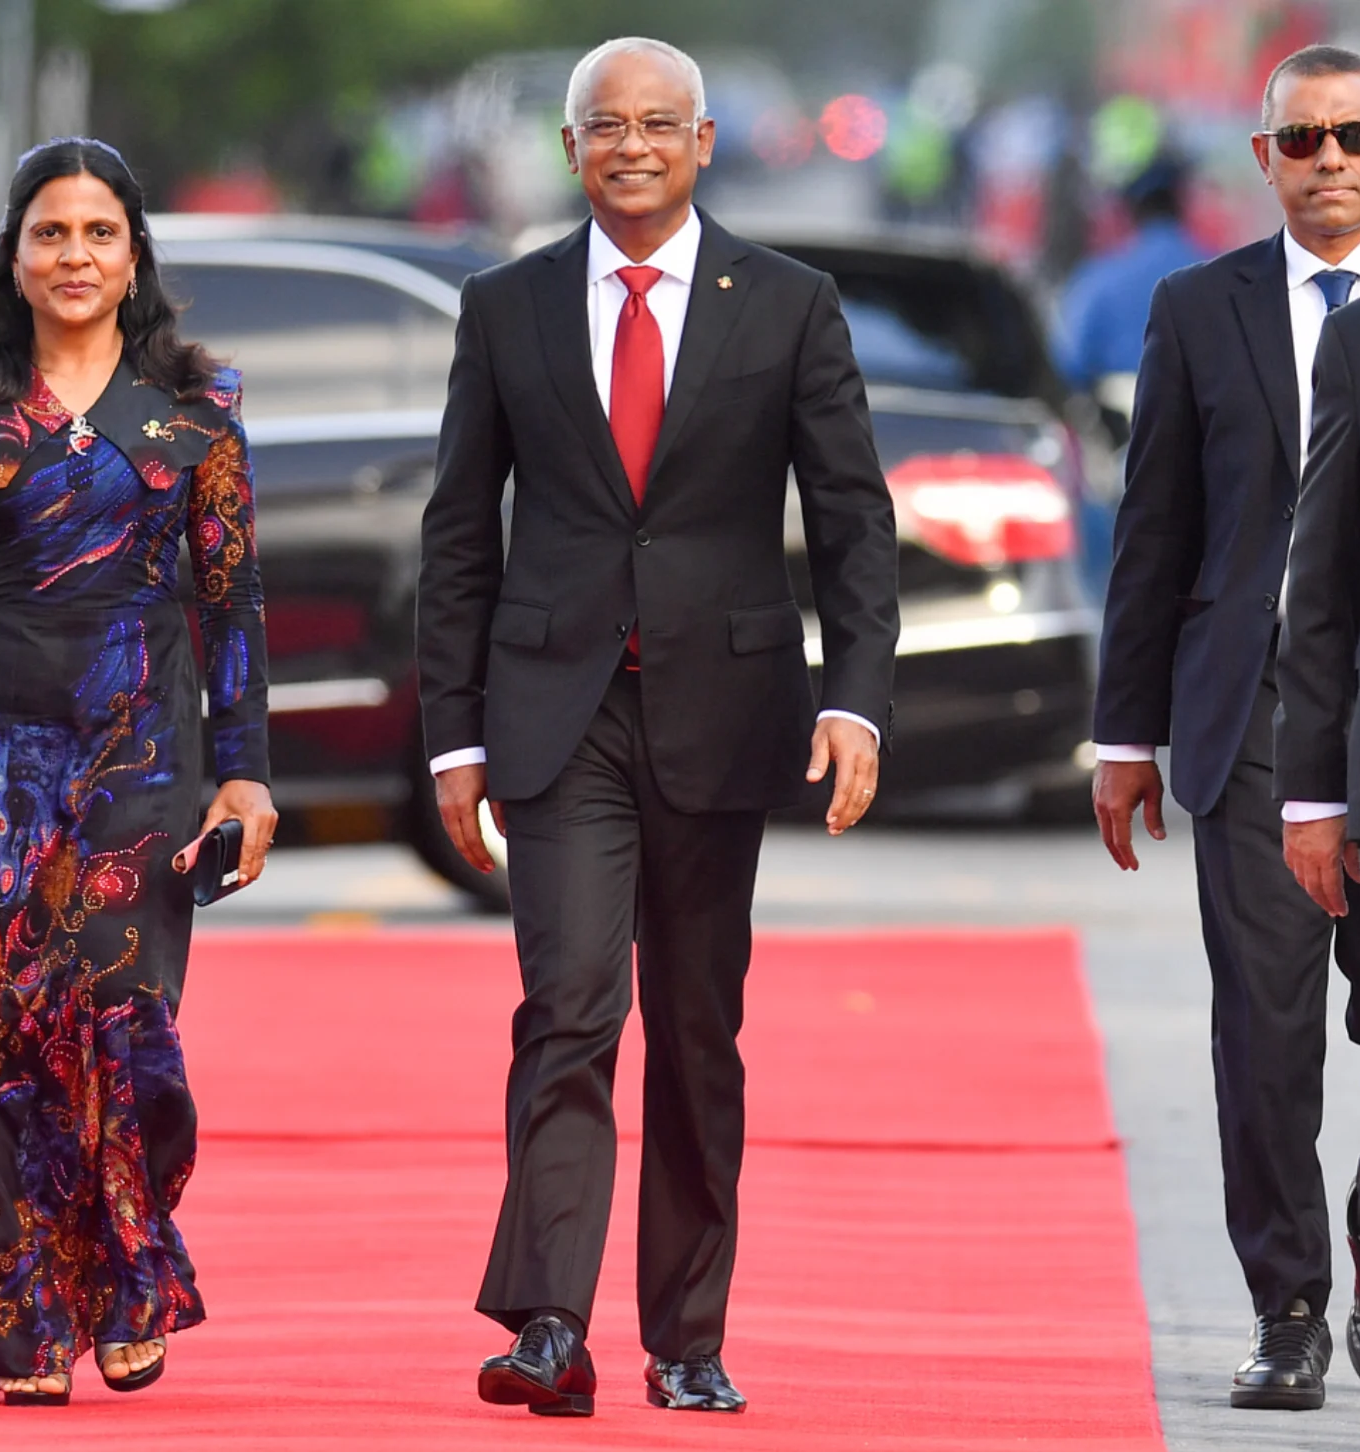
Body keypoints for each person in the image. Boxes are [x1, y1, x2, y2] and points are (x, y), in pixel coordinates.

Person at [416, 37, 898, 1417]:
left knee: (696, 1030)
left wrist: (856, 696)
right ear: (570, 150)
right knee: (566, 1009)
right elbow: (460, 534)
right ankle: (548, 1324)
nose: (630, 146)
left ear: (700, 144)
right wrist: (455, 735)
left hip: (722, 708)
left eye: (657, 125)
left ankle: (686, 1336)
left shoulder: (790, 305)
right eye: (603, 126)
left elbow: (854, 521)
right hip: (557, 715)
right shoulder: (504, 307)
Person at [0, 137, 275, 1407]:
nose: (75, 256)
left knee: (118, 1025)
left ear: (135, 254)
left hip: (142, 750)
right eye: (51, 233)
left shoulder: (197, 407)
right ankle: (22, 1321)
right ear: (15, 253)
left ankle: (126, 1282)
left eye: (99, 233)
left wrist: (246, 778)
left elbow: (231, 596)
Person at [1095, 44, 1360, 1413]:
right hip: (1250, 716)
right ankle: (1289, 1309)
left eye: (1353, 137)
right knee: (1265, 1040)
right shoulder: (1198, 309)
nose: (1329, 161)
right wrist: (1122, 730)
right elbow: (1152, 533)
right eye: (1303, 140)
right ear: (1261, 160)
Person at [1054, 151, 1210, 400]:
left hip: (1123, 430)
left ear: (1130, 208)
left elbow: (1071, 366)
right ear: (1180, 202)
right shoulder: (1227, 274)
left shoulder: (1098, 280)